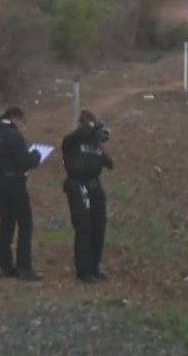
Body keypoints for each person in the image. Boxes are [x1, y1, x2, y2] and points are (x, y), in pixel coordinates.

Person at [0, 106, 43, 281]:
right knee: (25, 224)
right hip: (15, 183)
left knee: (6, 223)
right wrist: (36, 155)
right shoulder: (13, 136)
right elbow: (25, 161)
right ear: (15, 118)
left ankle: (5, 266)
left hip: (0, 181)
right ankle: (24, 267)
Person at [61, 109, 114, 283]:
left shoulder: (95, 143)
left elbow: (109, 163)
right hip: (77, 184)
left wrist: (99, 139)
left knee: (98, 225)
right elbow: (74, 138)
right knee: (83, 227)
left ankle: (94, 266)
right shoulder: (72, 142)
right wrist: (89, 130)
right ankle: (83, 270)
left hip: (94, 184)